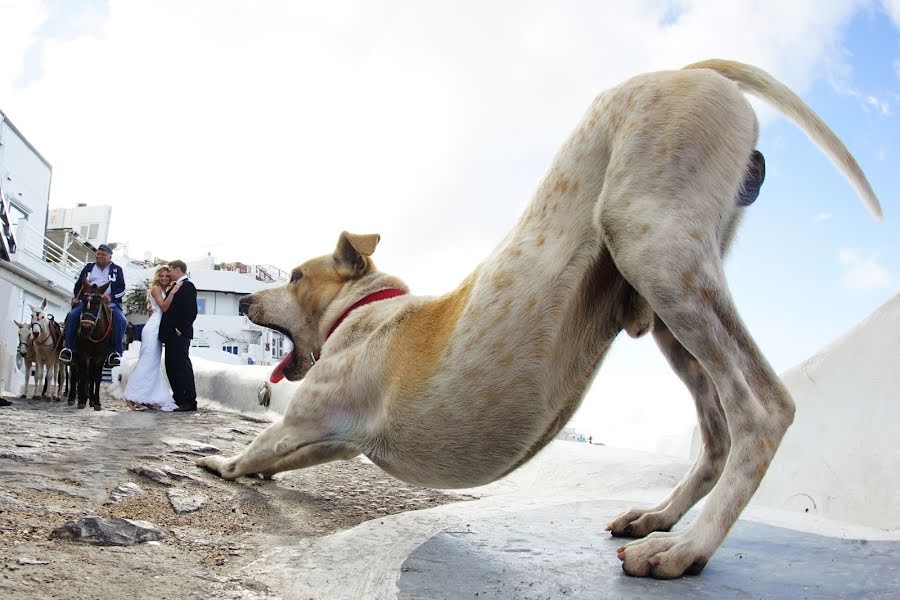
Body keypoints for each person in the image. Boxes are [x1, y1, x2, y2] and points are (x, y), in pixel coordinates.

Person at [122, 265, 182, 411]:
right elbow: (164, 307)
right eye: (162, 275)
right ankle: (130, 396)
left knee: (153, 364)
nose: (164, 278)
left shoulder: (164, 290)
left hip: (159, 328)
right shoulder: (156, 289)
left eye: (167, 276)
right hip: (152, 328)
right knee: (146, 362)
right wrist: (173, 292)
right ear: (157, 276)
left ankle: (147, 397)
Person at [59, 244, 127, 367]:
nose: (99, 256)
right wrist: (77, 298)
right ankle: (69, 349)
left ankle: (115, 352)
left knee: (121, 320)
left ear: (110, 257)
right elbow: (79, 285)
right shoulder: (88, 268)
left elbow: (122, 289)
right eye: (98, 254)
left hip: (109, 302)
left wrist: (111, 297)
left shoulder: (117, 270)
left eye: (103, 254)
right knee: (73, 315)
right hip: (88, 300)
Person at [158, 260, 198, 412]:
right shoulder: (174, 286)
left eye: (170, 270)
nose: (168, 273)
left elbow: (191, 312)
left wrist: (179, 329)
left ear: (178, 269)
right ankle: (179, 397)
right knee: (171, 366)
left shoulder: (188, 286)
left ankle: (189, 401)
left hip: (179, 334)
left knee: (182, 367)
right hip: (170, 335)